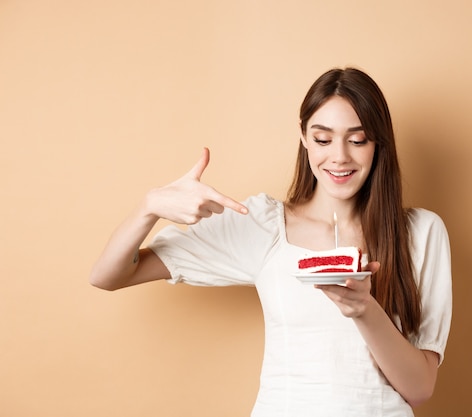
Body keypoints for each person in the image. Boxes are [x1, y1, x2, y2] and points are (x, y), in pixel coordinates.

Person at [90, 67, 452, 416]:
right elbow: (109, 275)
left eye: (357, 140)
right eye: (323, 139)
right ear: (303, 136)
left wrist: (364, 309)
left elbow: (419, 389)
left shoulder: (421, 233)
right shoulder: (262, 226)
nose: (339, 156)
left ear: (378, 142)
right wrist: (150, 207)